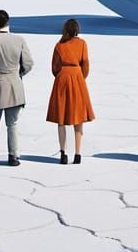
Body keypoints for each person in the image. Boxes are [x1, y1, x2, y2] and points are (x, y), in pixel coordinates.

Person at [0, 9, 34, 167]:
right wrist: (18, 75)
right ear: (8, 21)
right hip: (14, 87)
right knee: (12, 124)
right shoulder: (19, 40)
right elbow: (29, 63)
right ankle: (13, 156)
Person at [46, 18, 95, 165]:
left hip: (62, 79)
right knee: (78, 117)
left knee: (61, 117)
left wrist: (62, 76)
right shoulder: (82, 44)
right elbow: (85, 64)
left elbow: (54, 68)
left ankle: (63, 153)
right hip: (77, 78)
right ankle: (78, 154)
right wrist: (80, 77)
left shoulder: (59, 45)